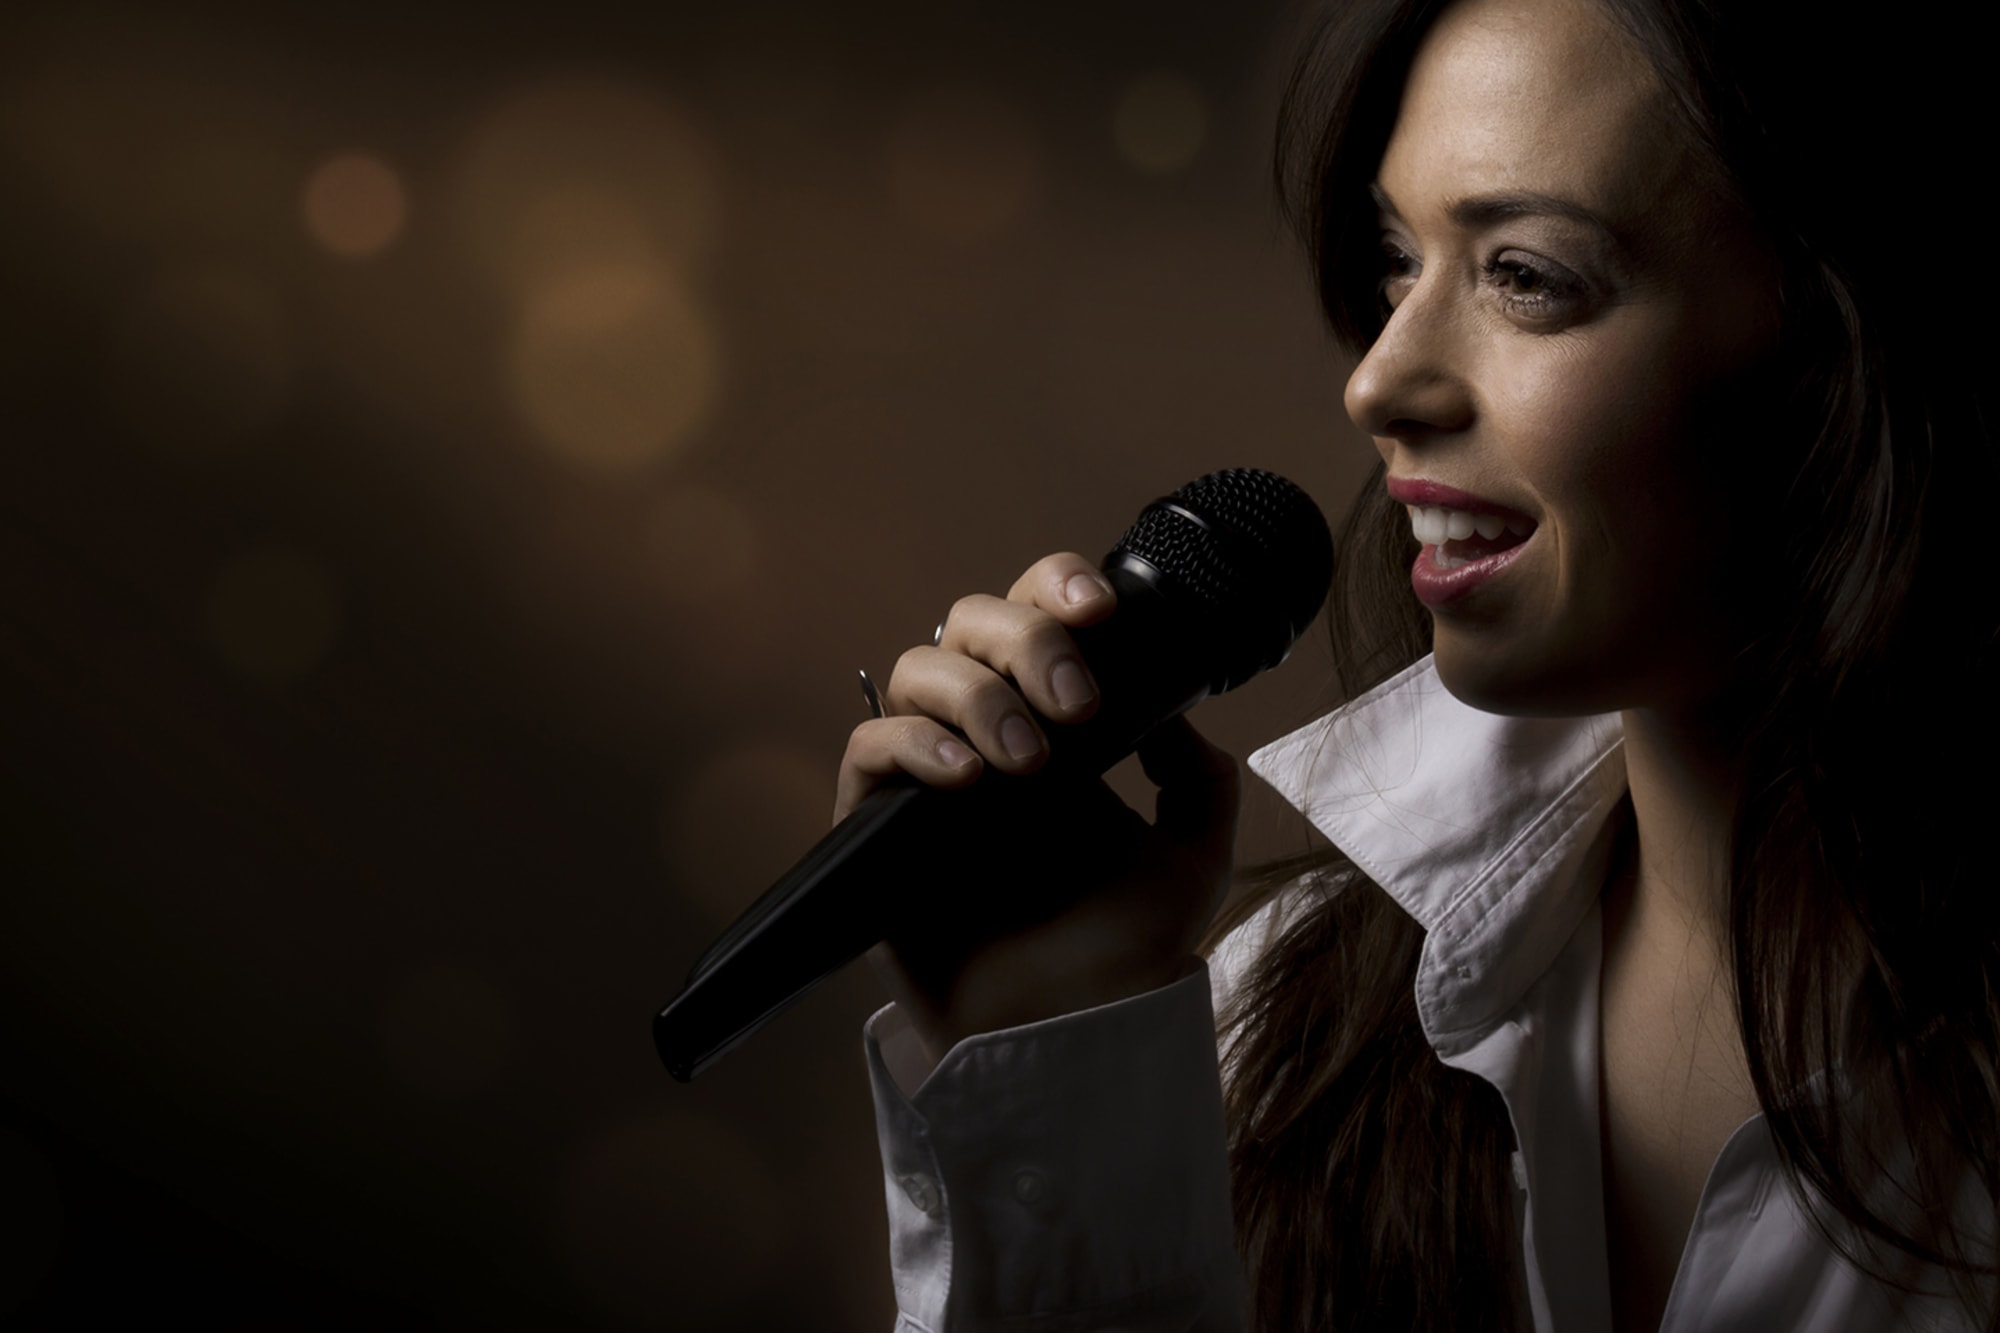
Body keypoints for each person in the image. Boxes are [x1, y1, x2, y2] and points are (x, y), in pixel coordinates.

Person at [834, 0, 2000, 1328]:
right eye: (1399, 258)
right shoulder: (1273, 1036)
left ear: (1860, 343)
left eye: (1526, 275)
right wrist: (1059, 1062)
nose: (1379, 381)